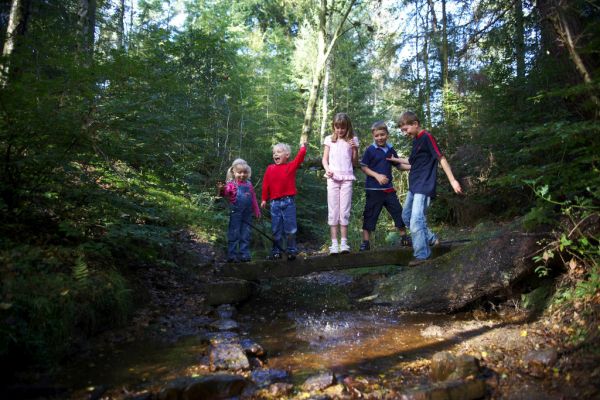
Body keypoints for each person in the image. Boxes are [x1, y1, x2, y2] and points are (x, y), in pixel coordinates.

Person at [396, 111, 463, 265]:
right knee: (406, 217)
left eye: (405, 129)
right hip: (414, 185)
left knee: (416, 220)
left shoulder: (427, 137)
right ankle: (432, 239)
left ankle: (422, 255)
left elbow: (441, 157)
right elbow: (412, 162)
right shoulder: (416, 141)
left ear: (415, 124)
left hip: (424, 185)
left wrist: (452, 180)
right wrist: (394, 160)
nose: (405, 133)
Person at [359, 120, 411, 251]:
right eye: (376, 136)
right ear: (373, 136)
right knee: (370, 214)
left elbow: (398, 164)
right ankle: (366, 242)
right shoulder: (370, 150)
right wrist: (377, 176)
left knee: (398, 211)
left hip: (388, 189)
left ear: (387, 134)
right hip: (373, 189)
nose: (379, 138)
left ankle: (404, 237)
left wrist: (413, 167)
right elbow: (364, 167)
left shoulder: (390, 149)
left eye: (382, 134)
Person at [261, 140, 308, 260]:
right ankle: (276, 251)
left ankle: (291, 250)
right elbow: (266, 184)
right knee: (276, 229)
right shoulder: (270, 168)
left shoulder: (290, 166)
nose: (275, 154)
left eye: (279, 152)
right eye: (274, 153)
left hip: (288, 202)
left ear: (287, 155)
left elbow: (299, 158)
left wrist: (303, 146)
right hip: (274, 203)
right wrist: (264, 199)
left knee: (290, 228)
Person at [322, 113, 359, 254]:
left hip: (347, 178)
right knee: (333, 210)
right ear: (334, 127)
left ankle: (344, 243)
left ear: (347, 127)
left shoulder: (353, 140)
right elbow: (325, 159)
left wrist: (354, 148)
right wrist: (327, 169)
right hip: (332, 178)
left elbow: (355, 162)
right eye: (337, 127)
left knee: (344, 210)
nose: (340, 130)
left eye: (343, 127)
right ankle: (334, 244)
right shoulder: (329, 140)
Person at [218, 159, 261, 263]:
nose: (242, 175)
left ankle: (244, 254)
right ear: (234, 172)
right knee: (234, 232)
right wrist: (222, 189)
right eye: (239, 172)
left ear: (248, 173)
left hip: (247, 214)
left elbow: (253, 198)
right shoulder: (231, 184)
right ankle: (232, 254)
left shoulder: (249, 184)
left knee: (245, 233)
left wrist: (257, 210)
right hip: (236, 213)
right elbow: (225, 194)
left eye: (245, 172)